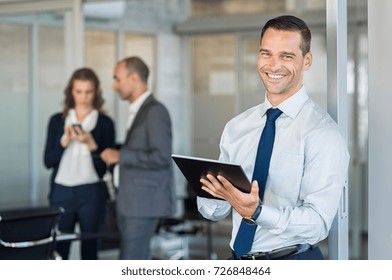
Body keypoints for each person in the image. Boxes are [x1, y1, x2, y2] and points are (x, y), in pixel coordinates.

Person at [197, 15, 350, 260]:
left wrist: (257, 212)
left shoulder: (323, 134)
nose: (273, 65)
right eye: (266, 53)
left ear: (306, 60)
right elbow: (214, 212)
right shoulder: (237, 127)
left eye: (286, 56)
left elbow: (318, 224)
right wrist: (214, 193)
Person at [100, 56, 174, 260]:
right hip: (132, 202)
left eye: (117, 78)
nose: (114, 85)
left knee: (131, 261)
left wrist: (120, 155)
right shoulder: (139, 110)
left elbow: (162, 157)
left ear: (133, 78)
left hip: (143, 203)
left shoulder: (155, 111)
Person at [44, 68, 115, 260]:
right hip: (62, 192)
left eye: (88, 92)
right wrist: (64, 142)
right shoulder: (57, 121)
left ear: (96, 93)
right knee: (59, 248)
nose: (83, 97)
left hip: (91, 192)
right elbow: (48, 161)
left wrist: (92, 145)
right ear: (71, 92)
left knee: (90, 248)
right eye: (79, 91)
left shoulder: (105, 123)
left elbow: (104, 170)